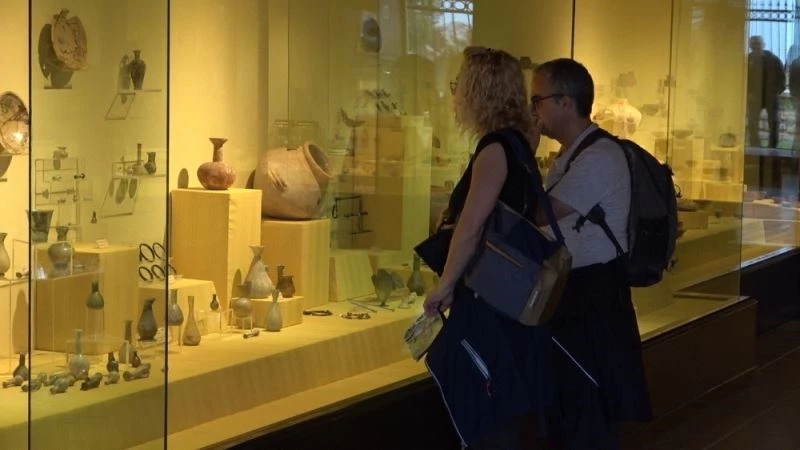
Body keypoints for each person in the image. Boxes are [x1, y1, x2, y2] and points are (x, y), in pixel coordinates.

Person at [423, 46, 552, 449]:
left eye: (459, 85)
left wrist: (445, 284)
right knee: (500, 403)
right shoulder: (519, 144)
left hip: (487, 295)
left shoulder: (495, 149)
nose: (455, 94)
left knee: (486, 405)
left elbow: (472, 224)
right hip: (509, 295)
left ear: (478, 92)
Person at [530, 58, 653, 449]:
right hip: (578, 294)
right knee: (573, 408)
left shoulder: (599, 157)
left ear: (565, 102)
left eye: (538, 100)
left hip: (593, 297)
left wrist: (525, 150)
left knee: (589, 411)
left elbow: (541, 214)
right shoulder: (574, 154)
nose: (534, 111)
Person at [747, 35, 785, 148]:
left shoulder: (774, 59)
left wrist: (775, 93)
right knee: (752, 125)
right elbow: (742, 79)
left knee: (774, 124)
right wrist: (748, 94)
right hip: (754, 98)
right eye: (753, 44)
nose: (756, 46)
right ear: (749, 46)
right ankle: (755, 148)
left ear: (763, 45)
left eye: (758, 43)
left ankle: (772, 148)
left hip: (771, 97)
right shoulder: (747, 60)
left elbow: (782, 79)